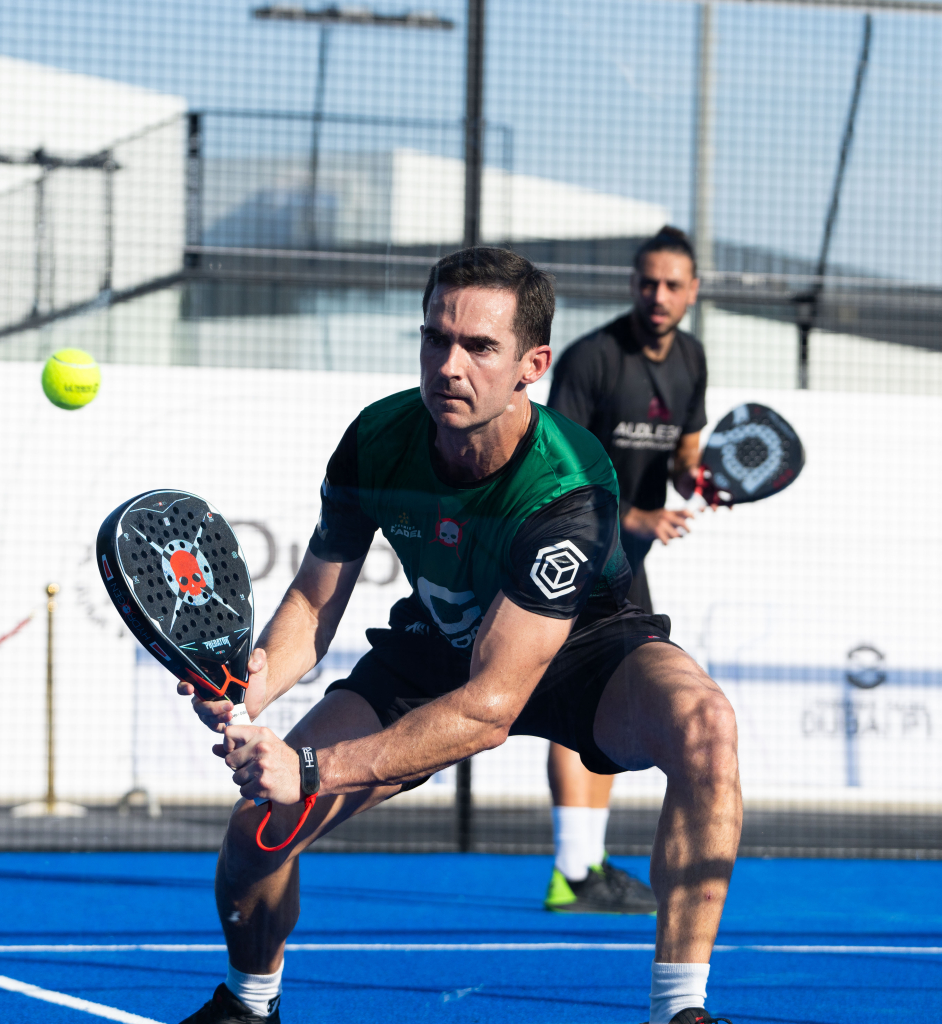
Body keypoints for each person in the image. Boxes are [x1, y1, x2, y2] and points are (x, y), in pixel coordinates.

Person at [181, 247, 740, 1024]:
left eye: (479, 347)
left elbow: (491, 708)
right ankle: (250, 1008)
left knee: (705, 727)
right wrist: (249, 684)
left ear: (530, 364)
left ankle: (679, 1013)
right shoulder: (377, 439)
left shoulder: (569, 481)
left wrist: (308, 768)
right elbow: (313, 606)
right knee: (256, 836)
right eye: (434, 338)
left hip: (587, 649)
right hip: (441, 641)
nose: (449, 365)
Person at [539, 226, 711, 915]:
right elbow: (554, 473)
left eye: (673, 284)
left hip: (626, 569)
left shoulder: (691, 359)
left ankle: (583, 866)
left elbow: (684, 459)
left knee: (608, 700)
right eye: (648, 282)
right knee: (572, 702)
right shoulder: (591, 360)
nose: (658, 295)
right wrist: (636, 520)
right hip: (570, 554)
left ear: (693, 291)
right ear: (632, 284)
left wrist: (705, 477)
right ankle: (572, 869)